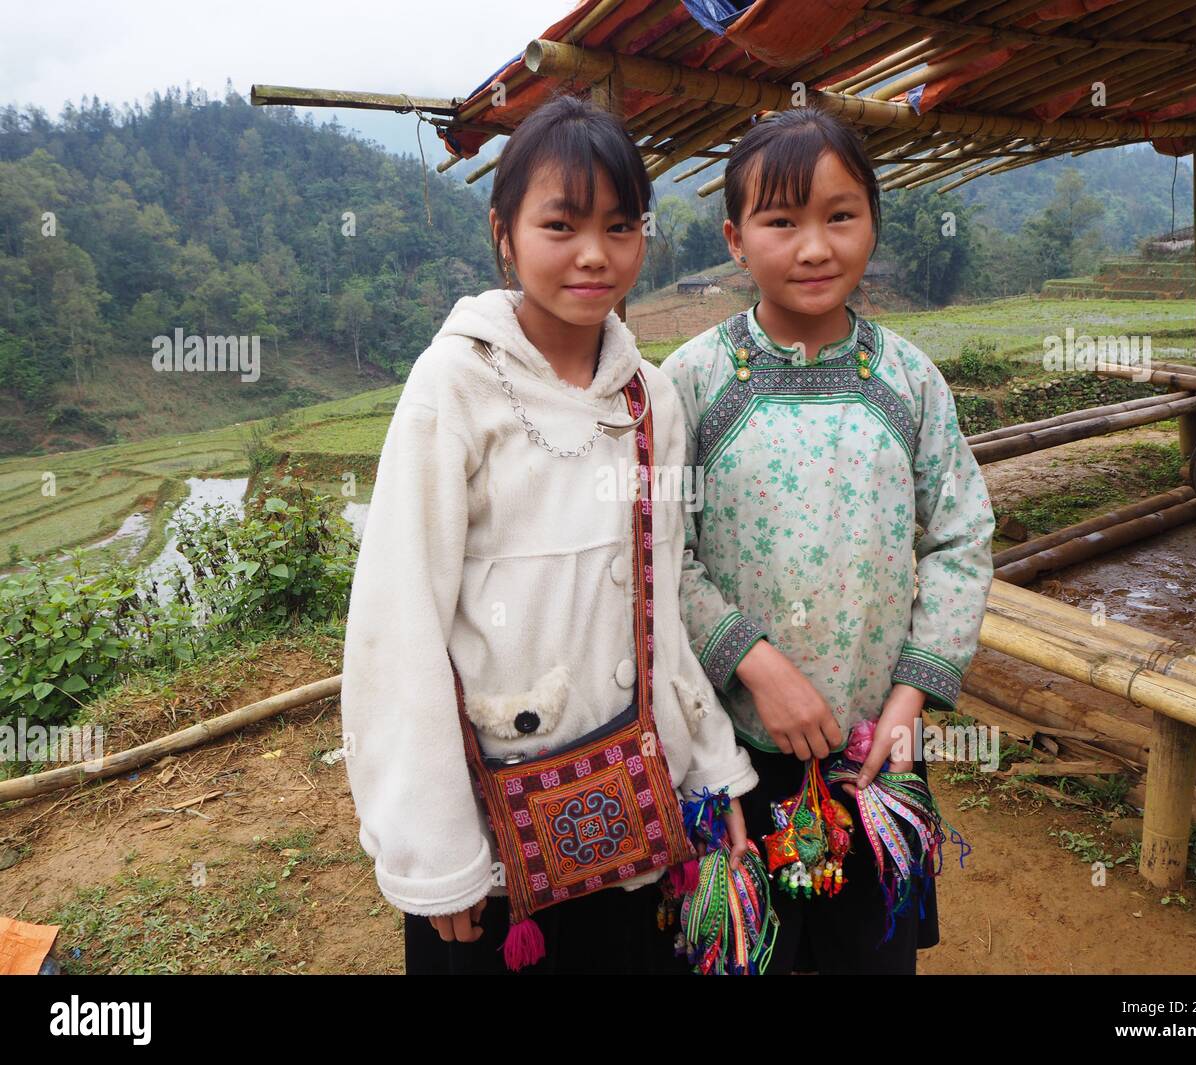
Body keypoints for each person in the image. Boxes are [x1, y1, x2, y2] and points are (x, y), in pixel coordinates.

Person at [340, 93, 755, 976]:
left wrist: (713, 774)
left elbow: (664, 607)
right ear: (504, 231)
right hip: (495, 834)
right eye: (561, 224)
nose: (595, 255)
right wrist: (434, 852)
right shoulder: (455, 382)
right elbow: (397, 615)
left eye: (621, 225)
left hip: (636, 819)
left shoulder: (652, 399)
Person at [661, 106, 995, 975]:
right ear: (736, 239)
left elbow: (962, 534)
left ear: (872, 224)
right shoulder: (693, 382)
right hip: (735, 756)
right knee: (750, 957)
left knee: (871, 960)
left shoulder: (908, 379)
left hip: (877, 755)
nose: (815, 247)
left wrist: (909, 703)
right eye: (782, 221)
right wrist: (757, 665)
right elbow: (662, 548)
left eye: (840, 216)